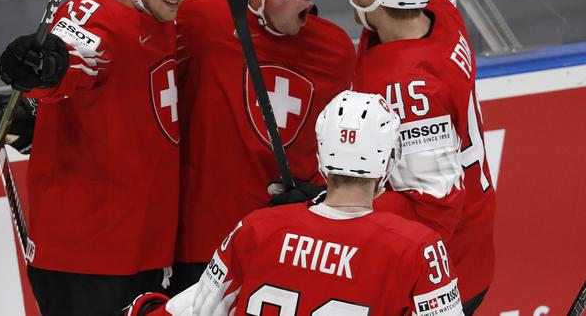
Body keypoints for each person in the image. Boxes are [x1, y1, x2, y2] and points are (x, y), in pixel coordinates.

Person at [262, 0, 494, 314]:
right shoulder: (438, 9)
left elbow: (434, 210)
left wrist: (325, 206)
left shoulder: (412, 89)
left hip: (440, 278)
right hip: (470, 243)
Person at [0, 0, 204, 316]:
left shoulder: (160, 20)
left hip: (140, 247)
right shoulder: (95, 16)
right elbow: (77, 56)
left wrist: (32, 117)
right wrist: (47, 65)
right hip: (90, 256)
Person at [128, 91, 464, 315]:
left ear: (321, 156)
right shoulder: (418, 248)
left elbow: (199, 307)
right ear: (388, 162)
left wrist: (143, 308)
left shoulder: (257, 228)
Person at [169, 0, 356, 293]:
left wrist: (320, 195)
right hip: (206, 241)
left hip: (291, 241)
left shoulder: (335, 49)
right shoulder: (201, 18)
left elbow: (340, 145)